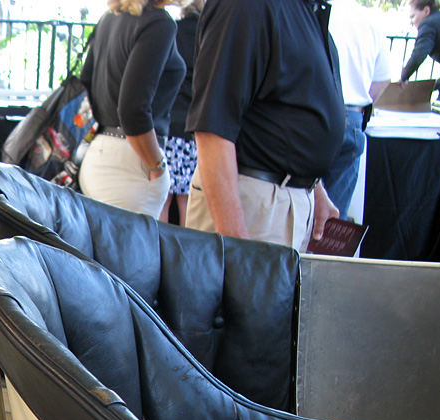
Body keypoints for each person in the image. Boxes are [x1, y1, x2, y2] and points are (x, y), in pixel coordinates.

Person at [185, 0, 343, 250]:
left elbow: (287, 106)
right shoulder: (247, 5)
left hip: (284, 201)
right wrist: (236, 247)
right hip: (252, 202)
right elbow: (212, 129)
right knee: (238, 289)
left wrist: (315, 188)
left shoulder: (303, 8)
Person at [77, 0, 185, 218]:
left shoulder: (109, 18)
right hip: (131, 165)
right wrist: (157, 166)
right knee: (131, 251)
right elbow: (132, 110)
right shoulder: (158, 23)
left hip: (97, 154)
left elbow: (86, 79)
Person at [323, 0, 391, 217]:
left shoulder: (311, 12)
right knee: (334, 218)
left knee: (296, 208)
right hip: (352, 115)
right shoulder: (370, 20)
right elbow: (382, 79)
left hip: (315, 114)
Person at [160, 0, 204, 226]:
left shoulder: (173, 31)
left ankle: (160, 252)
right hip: (192, 126)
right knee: (186, 200)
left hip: (168, 124)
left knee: (163, 198)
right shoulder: (208, 36)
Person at [400, 0, 440, 102]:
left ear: (426, 10)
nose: (411, 21)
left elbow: (419, 55)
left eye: (413, 16)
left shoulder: (428, 24)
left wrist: (403, 78)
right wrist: (431, 86)